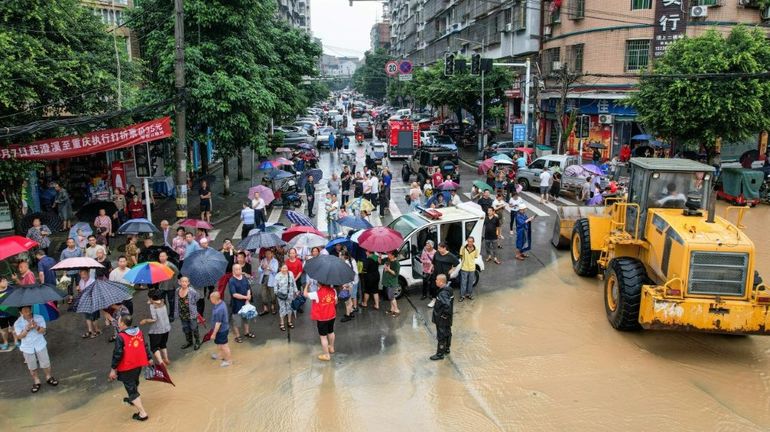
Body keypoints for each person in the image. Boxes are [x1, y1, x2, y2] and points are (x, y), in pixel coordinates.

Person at [108, 314, 152, 421]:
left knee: (131, 388)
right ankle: (133, 399)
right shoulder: (139, 332)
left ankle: (142, 413)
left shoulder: (120, 337)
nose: (118, 323)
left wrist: (113, 369)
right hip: (138, 364)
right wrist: (149, 357)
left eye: (119, 321)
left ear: (122, 323)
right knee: (134, 382)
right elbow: (144, 345)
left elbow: (117, 354)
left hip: (127, 367)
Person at [14, 305, 58, 392]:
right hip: (27, 347)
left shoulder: (39, 317)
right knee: (32, 366)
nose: (27, 312)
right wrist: (27, 329)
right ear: (20, 312)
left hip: (40, 343)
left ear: (31, 309)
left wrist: (36, 327)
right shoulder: (17, 323)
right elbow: (19, 337)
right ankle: (36, 381)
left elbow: (44, 331)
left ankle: (48, 377)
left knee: (45, 363)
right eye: (24, 310)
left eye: (28, 309)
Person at [306, 282, 337, 361]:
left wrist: (307, 285)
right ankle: (332, 347)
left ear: (319, 284)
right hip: (332, 315)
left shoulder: (316, 293)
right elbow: (336, 302)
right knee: (331, 332)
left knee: (323, 337)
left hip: (322, 318)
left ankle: (326, 355)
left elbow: (305, 294)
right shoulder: (333, 290)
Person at [140, 291, 171, 365]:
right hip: (166, 328)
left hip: (157, 330)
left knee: (154, 347)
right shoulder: (163, 302)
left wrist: (145, 320)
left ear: (151, 298)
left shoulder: (153, 306)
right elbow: (153, 301)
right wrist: (150, 301)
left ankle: (161, 362)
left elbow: (154, 319)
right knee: (163, 344)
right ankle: (166, 359)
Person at [430, 274, 454, 361]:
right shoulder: (449, 289)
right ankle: (447, 349)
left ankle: (440, 354)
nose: (435, 281)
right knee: (447, 332)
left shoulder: (443, 293)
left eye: (436, 280)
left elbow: (447, 305)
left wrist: (444, 315)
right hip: (447, 318)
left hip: (442, 319)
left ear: (441, 282)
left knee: (441, 335)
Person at [174, 276, 201, 350]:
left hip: (191, 313)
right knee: (186, 328)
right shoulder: (177, 290)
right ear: (179, 282)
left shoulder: (191, 291)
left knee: (194, 328)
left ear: (188, 283)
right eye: (182, 281)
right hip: (182, 313)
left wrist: (192, 302)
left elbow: (198, 297)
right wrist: (176, 312)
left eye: (186, 281)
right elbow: (176, 301)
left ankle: (197, 342)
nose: (184, 283)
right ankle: (189, 342)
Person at [228, 264, 254, 342]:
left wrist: (248, 297)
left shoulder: (244, 278)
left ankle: (247, 332)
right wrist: (246, 297)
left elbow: (248, 288)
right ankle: (237, 336)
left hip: (245, 302)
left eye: (240, 269)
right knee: (237, 320)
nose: (239, 270)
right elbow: (234, 294)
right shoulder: (231, 280)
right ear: (233, 271)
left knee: (246, 318)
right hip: (236, 303)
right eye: (236, 269)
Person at [430, 242, 459, 308]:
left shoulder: (451, 256)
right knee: (434, 287)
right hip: (436, 273)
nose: (438, 249)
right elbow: (433, 262)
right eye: (438, 248)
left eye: (440, 248)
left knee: (443, 288)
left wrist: (452, 270)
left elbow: (457, 263)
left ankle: (442, 301)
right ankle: (434, 300)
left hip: (444, 275)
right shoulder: (437, 253)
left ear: (444, 248)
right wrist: (431, 268)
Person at [209, 292, 232, 367]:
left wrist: (213, 334)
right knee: (219, 344)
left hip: (222, 330)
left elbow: (218, 323)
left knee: (224, 346)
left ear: (214, 299)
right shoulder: (221, 302)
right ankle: (221, 356)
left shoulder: (219, 309)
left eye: (211, 298)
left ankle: (229, 361)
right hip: (221, 329)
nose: (210, 300)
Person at [274, 264, 299, 330]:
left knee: (289, 308)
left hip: (289, 294)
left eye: (286, 268)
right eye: (283, 268)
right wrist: (276, 293)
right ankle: (282, 323)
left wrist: (296, 291)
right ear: (280, 269)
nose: (284, 269)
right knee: (282, 308)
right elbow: (275, 286)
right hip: (281, 295)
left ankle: (289, 322)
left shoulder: (290, 274)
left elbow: (294, 283)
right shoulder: (277, 276)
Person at [156, 251, 178, 320]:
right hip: (161, 286)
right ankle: (164, 315)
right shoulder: (158, 265)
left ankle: (171, 315)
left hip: (170, 286)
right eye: (160, 256)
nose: (162, 258)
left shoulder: (171, 265)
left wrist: (171, 279)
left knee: (171, 301)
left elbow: (176, 272)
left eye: (163, 256)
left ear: (166, 257)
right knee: (162, 302)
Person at [60, 238, 82, 302]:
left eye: (72, 242)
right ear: (67, 243)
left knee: (79, 284)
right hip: (69, 271)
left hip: (78, 270)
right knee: (69, 285)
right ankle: (70, 297)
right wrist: (64, 272)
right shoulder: (64, 251)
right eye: (69, 242)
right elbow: (62, 261)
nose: (71, 243)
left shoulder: (79, 250)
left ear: (74, 243)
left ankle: (80, 296)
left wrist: (82, 270)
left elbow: (82, 259)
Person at [258, 249, 279, 315]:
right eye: (266, 253)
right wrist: (262, 267)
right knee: (263, 294)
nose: (267, 255)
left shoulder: (275, 261)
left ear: (272, 254)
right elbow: (259, 270)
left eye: (269, 253)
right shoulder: (263, 260)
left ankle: (273, 307)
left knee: (272, 294)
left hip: (272, 279)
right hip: (264, 278)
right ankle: (265, 308)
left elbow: (275, 270)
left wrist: (269, 268)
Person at [339, 250, 359, 321]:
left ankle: (348, 316)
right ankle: (350, 312)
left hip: (348, 284)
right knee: (349, 299)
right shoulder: (350, 261)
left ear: (344, 256)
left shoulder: (347, 263)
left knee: (347, 300)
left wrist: (348, 284)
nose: (339, 256)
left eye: (340, 255)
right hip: (349, 283)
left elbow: (353, 273)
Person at [382, 250, 401, 317]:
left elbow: (396, 274)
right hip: (387, 282)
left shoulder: (396, 263)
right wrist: (379, 256)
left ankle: (396, 310)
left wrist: (388, 269)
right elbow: (380, 262)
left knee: (391, 297)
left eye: (389, 253)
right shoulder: (388, 260)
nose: (388, 254)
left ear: (393, 255)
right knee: (390, 297)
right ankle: (392, 309)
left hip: (392, 282)